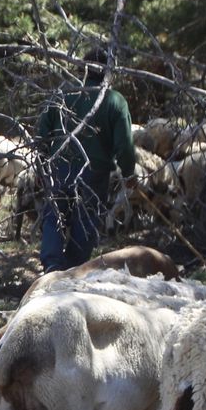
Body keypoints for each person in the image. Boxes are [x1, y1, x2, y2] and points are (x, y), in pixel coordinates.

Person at [35, 48, 136, 272]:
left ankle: (51, 266)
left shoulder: (62, 94)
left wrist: (41, 166)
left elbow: (42, 134)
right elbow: (125, 146)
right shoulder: (115, 101)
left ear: (82, 68)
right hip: (94, 173)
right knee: (85, 222)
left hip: (58, 168)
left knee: (54, 216)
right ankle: (73, 270)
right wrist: (129, 173)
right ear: (109, 71)